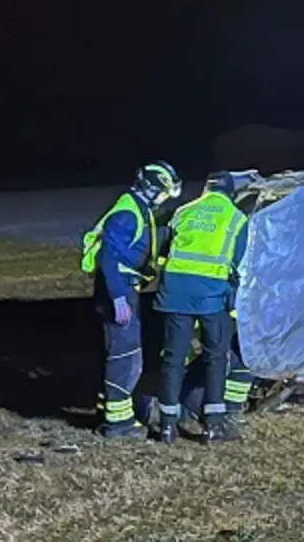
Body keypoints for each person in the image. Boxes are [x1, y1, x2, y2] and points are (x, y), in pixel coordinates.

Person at [81, 161, 182, 439]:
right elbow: (109, 257)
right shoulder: (128, 213)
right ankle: (119, 424)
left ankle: (110, 413)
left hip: (125, 288)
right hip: (119, 290)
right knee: (125, 357)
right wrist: (118, 298)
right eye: (164, 192)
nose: (164, 198)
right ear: (152, 189)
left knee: (123, 355)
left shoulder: (138, 208)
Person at [154, 173, 249, 444]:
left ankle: (167, 427)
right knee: (215, 359)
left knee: (173, 359)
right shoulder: (236, 218)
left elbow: (163, 251)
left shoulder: (183, 211)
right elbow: (239, 264)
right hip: (212, 298)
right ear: (231, 193)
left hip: (176, 294)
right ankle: (213, 427)